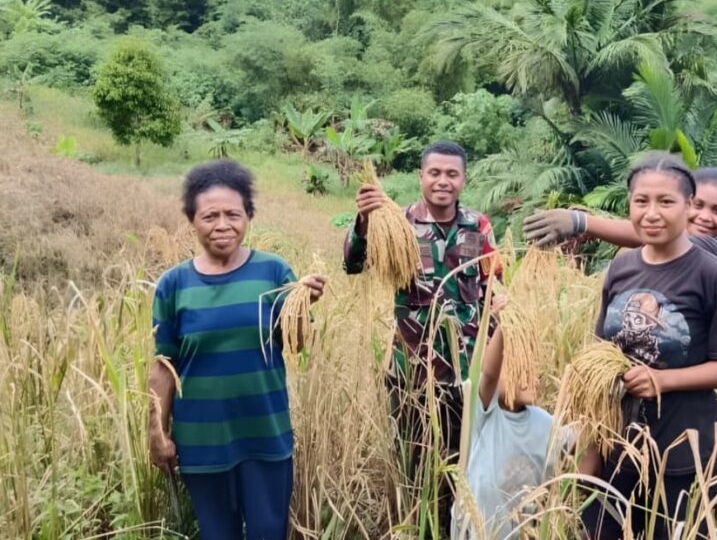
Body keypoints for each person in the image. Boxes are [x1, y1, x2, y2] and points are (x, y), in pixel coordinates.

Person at [148, 159, 327, 540]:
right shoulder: (173, 285)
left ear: (249, 216)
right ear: (192, 220)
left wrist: (303, 302)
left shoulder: (273, 272)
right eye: (209, 216)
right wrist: (157, 432)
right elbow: (163, 365)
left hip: (264, 431)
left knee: (267, 531)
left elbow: (295, 342)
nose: (222, 225)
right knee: (217, 534)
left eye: (233, 214)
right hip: (201, 439)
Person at [582, 154, 717, 540]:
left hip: (682, 453)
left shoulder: (712, 275)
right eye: (641, 201)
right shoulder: (622, 267)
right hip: (617, 449)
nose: (652, 213)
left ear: (688, 205)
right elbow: (601, 359)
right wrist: (591, 453)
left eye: (666, 202)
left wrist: (665, 380)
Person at [343, 140, 500, 535]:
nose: (442, 181)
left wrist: (499, 364)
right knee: (416, 467)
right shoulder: (396, 222)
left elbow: (493, 292)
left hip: (466, 374)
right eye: (434, 173)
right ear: (421, 177)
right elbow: (353, 264)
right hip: (411, 372)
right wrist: (364, 222)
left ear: (464, 179)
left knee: (464, 466)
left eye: (452, 174)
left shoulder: (477, 226)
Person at [452, 295, 561, 540]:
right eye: (517, 367)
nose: (529, 375)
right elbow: (489, 375)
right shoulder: (485, 414)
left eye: (531, 367)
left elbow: (583, 449)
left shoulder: (546, 424)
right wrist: (504, 326)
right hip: (478, 531)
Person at [522, 167, 717, 264]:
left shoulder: (716, 250)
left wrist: (581, 221)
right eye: (698, 205)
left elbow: (655, 234)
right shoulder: (644, 256)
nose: (705, 217)